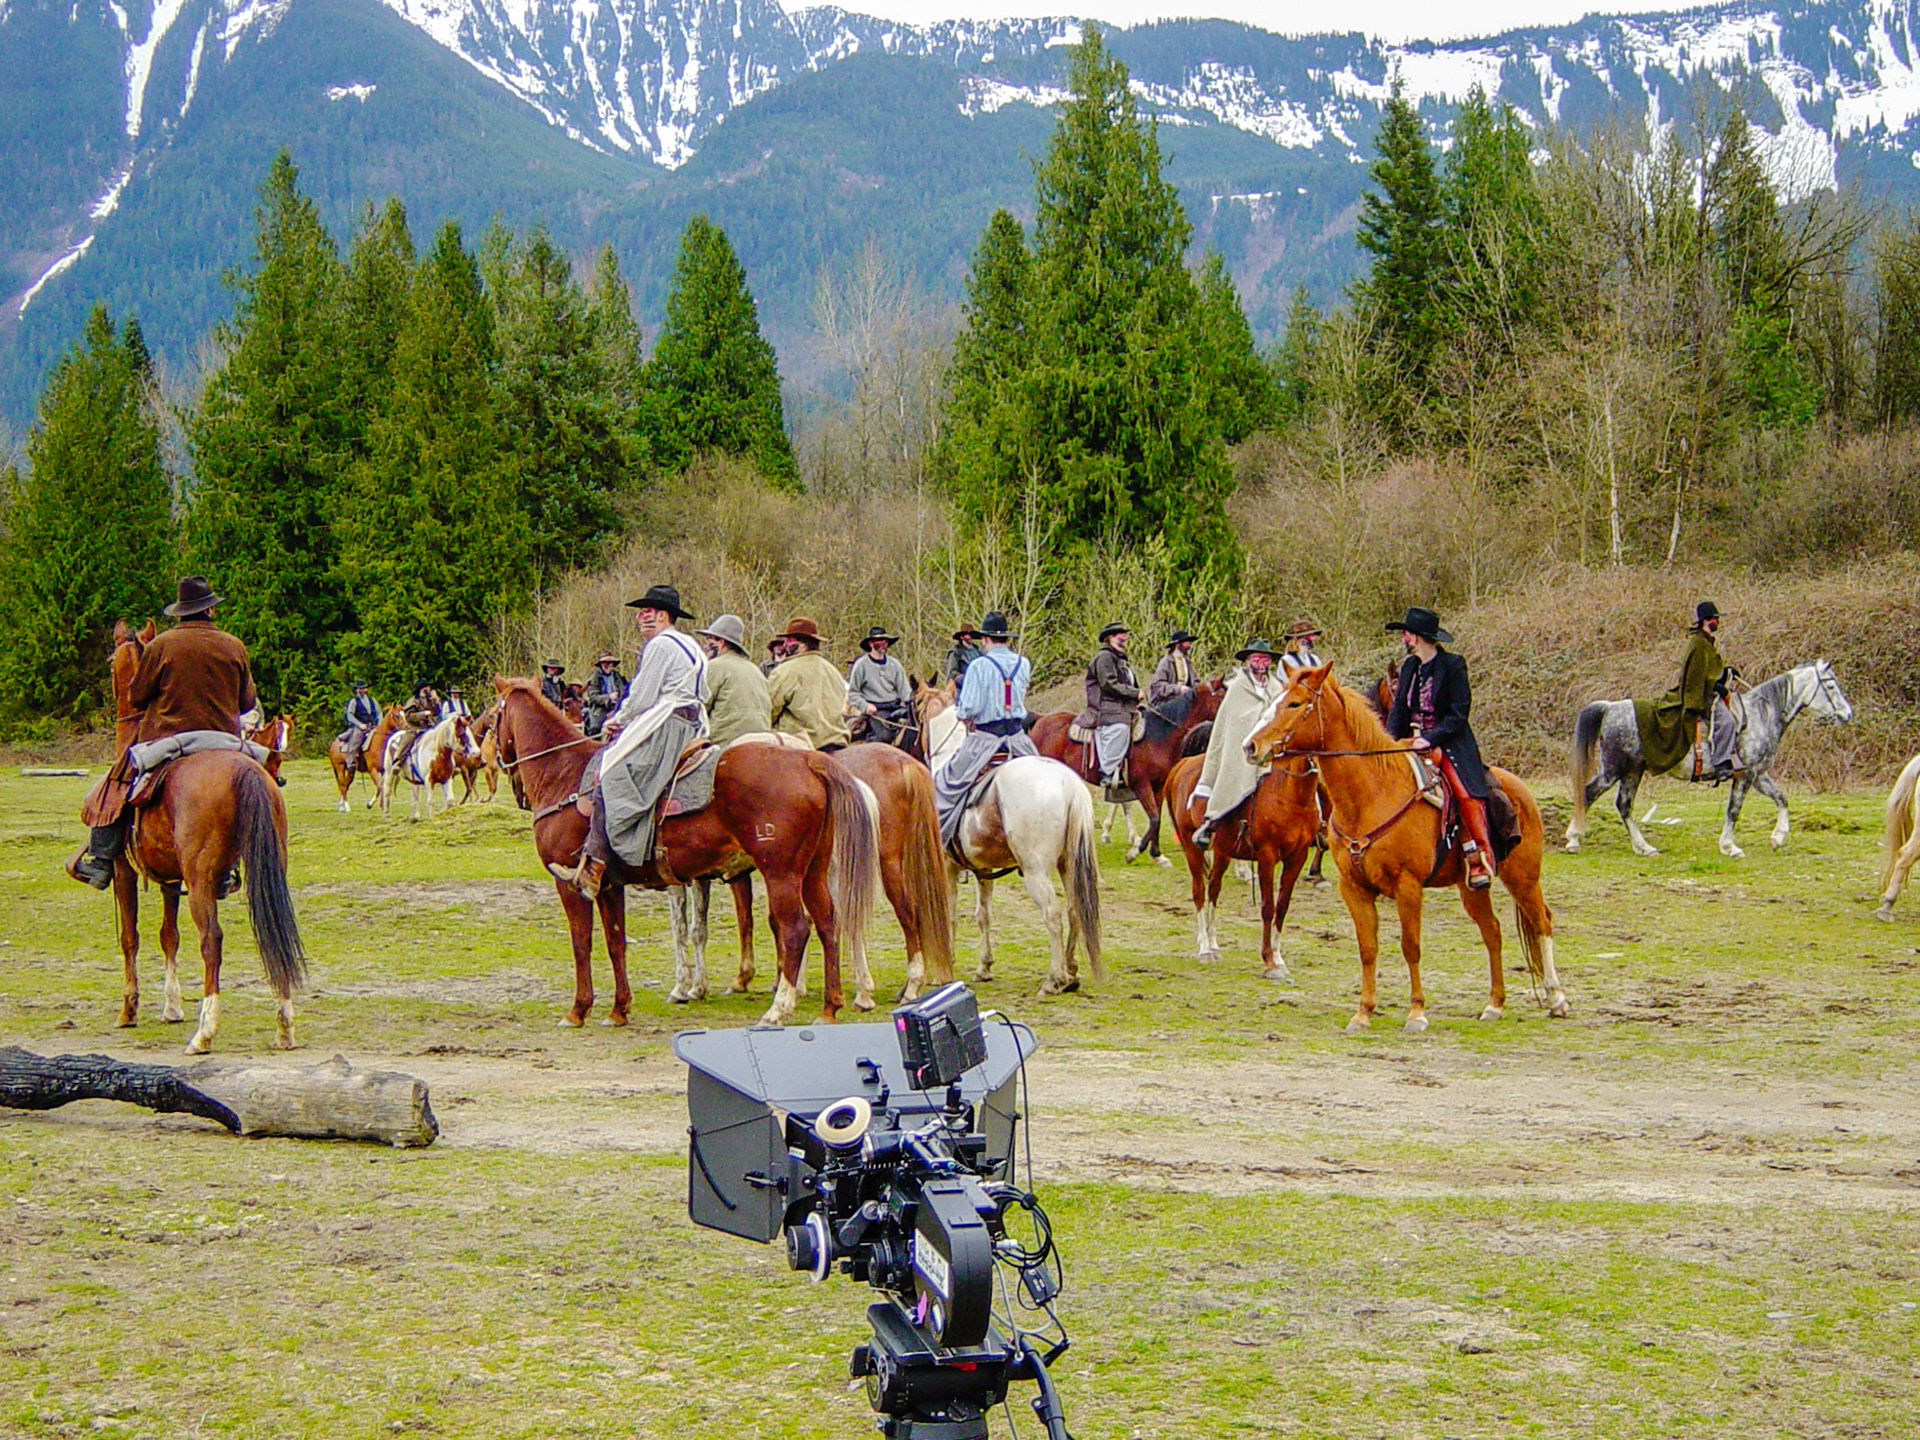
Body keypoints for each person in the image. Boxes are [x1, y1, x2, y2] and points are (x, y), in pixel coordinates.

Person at [69, 576, 258, 889]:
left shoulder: (161, 645)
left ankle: (101, 860)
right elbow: (246, 702)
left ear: (180, 611)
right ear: (210, 610)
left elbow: (137, 696)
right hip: (224, 741)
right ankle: (228, 866)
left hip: (172, 740)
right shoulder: (234, 645)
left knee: (117, 781)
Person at [550, 584, 707, 899]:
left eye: (646, 612)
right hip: (692, 724)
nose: (639, 617)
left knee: (609, 774)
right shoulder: (691, 644)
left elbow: (643, 696)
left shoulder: (660, 645)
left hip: (666, 725)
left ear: (662, 615)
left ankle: (595, 867)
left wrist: (618, 720)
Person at [1384, 606, 1494, 890]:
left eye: (1405, 633)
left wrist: (1431, 738)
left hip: (1449, 742)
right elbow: (1399, 710)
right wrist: (1387, 742)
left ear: (1417, 636)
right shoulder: (1409, 667)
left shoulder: (1454, 665)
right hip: (1410, 742)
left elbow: (1459, 714)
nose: (1403, 638)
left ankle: (1478, 857)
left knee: (1464, 793)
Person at [934, 611, 1035, 849]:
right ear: (1006, 639)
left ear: (985, 639)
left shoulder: (978, 666)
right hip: (1019, 740)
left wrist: (962, 714)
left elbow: (969, 708)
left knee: (945, 784)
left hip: (986, 740)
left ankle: (938, 841)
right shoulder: (1023, 663)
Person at [1191, 639, 1284, 847]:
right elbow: (1231, 723)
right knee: (1231, 772)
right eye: (1256, 659)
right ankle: (1213, 820)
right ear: (1247, 661)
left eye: (1265, 659)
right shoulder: (1236, 689)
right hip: (1241, 746)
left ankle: (1317, 825)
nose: (1261, 663)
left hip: (1271, 747)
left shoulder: (1277, 688)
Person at [1637, 601, 1738, 782]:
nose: (1718, 622)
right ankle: (1721, 764)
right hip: (1700, 697)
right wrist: (1717, 687)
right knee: (1728, 722)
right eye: (1715, 619)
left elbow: (1709, 672)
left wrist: (1726, 672)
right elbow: (1696, 678)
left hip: (1706, 692)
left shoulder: (1705, 642)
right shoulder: (1698, 644)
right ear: (1706, 620)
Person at [766, 617, 851, 751]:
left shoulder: (784, 671)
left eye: (790, 640)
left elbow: (768, 710)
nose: (785, 644)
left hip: (801, 745)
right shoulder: (833, 670)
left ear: (803, 644)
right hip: (837, 741)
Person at [696, 613, 771, 747]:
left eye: (709, 640)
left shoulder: (714, 666)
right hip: (762, 742)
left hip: (724, 743)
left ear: (721, 642)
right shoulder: (755, 670)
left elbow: (699, 708)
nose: (706, 646)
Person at [1085, 622, 1140, 792]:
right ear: (1110, 637)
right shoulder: (1104, 657)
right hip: (1106, 708)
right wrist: (1134, 693)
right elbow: (1108, 683)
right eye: (1119, 635)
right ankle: (1107, 772)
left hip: (1123, 706)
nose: (1124, 637)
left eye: (1125, 634)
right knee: (1120, 728)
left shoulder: (1121, 659)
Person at [848, 625, 914, 746]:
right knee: (884, 736)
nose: (883, 644)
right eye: (879, 641)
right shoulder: (861, 665)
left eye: (885, 641)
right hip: (875, 711)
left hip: (895, 707)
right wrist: (865, 706)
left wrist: (912, 702)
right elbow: (853, 693)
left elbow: (904, 690)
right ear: (871, 643)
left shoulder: (895, 664)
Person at [388, 681, 441, 783]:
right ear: (421, 689)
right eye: (426, 687)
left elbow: (437, 712)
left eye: (429, 687)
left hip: (429, 727)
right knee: (409, 738)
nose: (429, 689)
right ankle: (398, 761)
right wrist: (423, 714)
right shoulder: (413, 701)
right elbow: (409, 716)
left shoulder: (430, 700)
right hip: (415, 728)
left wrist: (435, 700)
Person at [1147, 629, 1197, 706]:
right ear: (1178, 644)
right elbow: (1157, 685)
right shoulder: (1166, 662)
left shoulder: (1187, 661)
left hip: (1185, 699)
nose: (1189, 645)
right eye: (1186, 642)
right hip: (1166, 702)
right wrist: (1178, 689)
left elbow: (1195, 681)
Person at [339, 680, 381, 771]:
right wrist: (359, 724)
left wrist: (379, 723)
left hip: (372, 725)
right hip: (360, 726)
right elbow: (350, 715)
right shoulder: (354, 701)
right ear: (357, 690)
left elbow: (379, 713)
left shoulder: (372, 700)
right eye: (360, 689)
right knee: (355, 740)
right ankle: (351, 761)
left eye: (364, 688)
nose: (362, 690)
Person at [583, 653, 627, 738]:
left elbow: (623, 691)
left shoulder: (618, 677)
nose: (609, 665)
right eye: (606, 663)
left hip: (617, 707)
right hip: (600, 709)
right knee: (595, 728)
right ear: (601, 664)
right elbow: (593, 696)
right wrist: (608, 697)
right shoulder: (594, 678)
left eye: (611, 663)